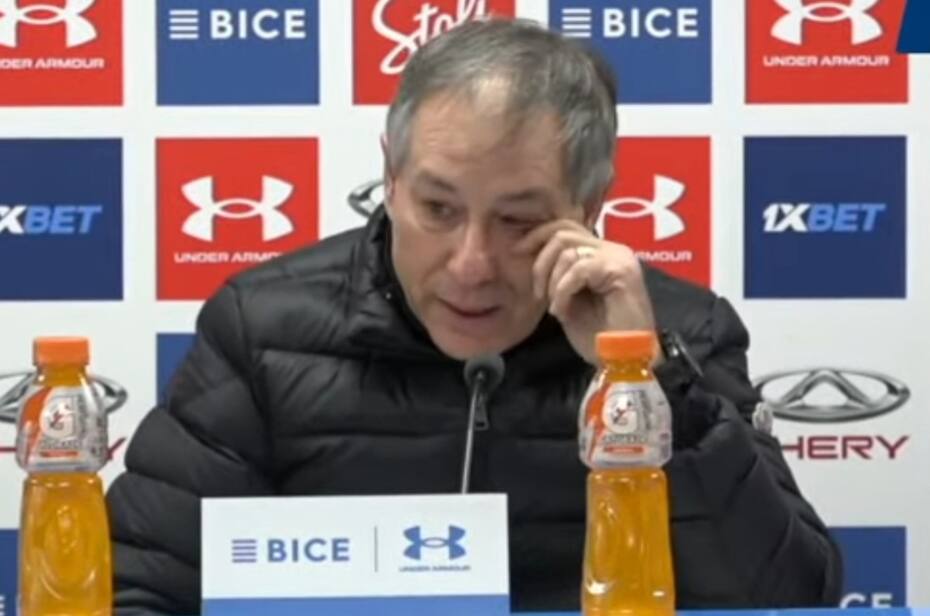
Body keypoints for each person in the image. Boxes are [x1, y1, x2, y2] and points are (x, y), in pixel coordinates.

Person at [107, 18, 842, 615]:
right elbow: (136, 589)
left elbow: (790, 598)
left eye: (519, 221)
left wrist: (643, 381)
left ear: (589, 208)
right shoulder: (265, 330)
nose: (471, 264)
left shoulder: (679, 333)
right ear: (390, 177)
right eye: (438, 208)